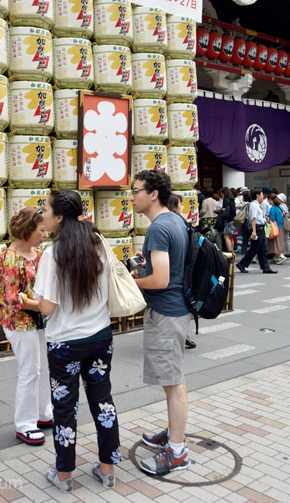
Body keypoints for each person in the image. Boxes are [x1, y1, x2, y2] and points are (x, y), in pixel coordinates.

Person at [35, 191, 120, 492]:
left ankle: (64, 475)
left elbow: (47, 308)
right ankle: (108, 470)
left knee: (64, 408)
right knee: (102, 401)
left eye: (45, 209)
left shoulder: (52, 253)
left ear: (59, 217)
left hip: (64, 345)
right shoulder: (99, 244)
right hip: (100, 338)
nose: (41, 214)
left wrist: (29, 302)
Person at [131, 169, 190, 476]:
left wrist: (132, 281)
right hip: (177, 311)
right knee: (174, 380)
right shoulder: (176, 220)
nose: (132, 197)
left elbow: (161, 279)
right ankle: (173, 435)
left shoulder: (158, 228)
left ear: (153, 194)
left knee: (173, 384)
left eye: (136, 190)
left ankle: (177, 452)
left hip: (166, 313)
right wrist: (147, 265)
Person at [0, 207, 52, 447]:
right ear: (28, 229)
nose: (45, 234)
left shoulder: (37, 253)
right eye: (41, 230)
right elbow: (12, 298)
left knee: (44, 368)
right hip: (19, 322)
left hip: (38, 319)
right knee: (30, 370)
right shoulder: (10, 257)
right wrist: (41, 306)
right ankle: (25, 424)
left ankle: (44, 413)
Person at [167, 194, 196, 350]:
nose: (181, 208)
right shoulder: (178, 224)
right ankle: (182, 336)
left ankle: (182, 335)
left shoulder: (175, 223)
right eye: (179, 205)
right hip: (182, 274)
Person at [236, 189, 277, 275]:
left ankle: (266, 267)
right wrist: (254, 231)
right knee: (254, 248)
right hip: (257, 229)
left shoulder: (257, 205)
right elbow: (253, 218)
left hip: (260, 228)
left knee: (262, 249)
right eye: (262, 194)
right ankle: (241, 264)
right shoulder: (254, 205)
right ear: (257, 195)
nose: (263, 196)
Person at [217, 187, 237, 253]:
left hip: (227, 220)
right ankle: (232, 252)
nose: (221, 196)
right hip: (233, 220)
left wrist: (221, 210)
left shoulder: (226, 200)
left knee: (226, 236)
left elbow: (225, 210)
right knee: (231, 237)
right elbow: (233, 211)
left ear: (224, 193)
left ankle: (229, 251)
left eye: (221, 194)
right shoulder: (232, 200)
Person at [267, 193, 285, 264]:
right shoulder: (280, 207)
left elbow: (272, 219)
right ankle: (277, 257)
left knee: (275, 243)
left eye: (269, 200)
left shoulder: (272, 208)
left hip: (275, 227)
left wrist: (267, 218)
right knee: (280, 242)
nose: (268, 201)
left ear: (271, 201)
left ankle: (279, 256)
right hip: (281, 226)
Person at [277, 193, 290, 257]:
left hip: (283, 222)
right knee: (287, 238)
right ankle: (289, 251)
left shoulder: (281, 206)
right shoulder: (285, 205)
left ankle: (283, 252)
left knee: (283, 238)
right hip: (287, 222)